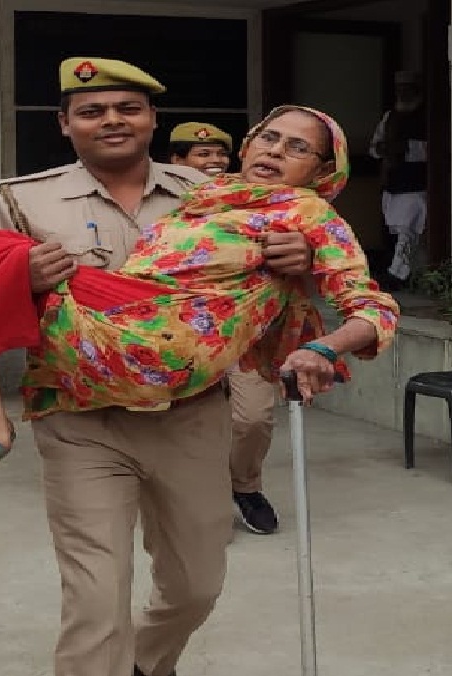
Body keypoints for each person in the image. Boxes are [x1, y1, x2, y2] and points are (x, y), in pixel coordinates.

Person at [0, 58, 385, 676]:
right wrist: (23, 281)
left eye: (129, 109)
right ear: (65, 124)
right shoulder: (21, 198)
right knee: (95, 600)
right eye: (91, 111)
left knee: (196, 586)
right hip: (79, 417)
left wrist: (300, 256)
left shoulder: (211, 193)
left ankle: (149, 664)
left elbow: (303, 259)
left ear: (152, 119)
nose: (112, 121)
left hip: (191, 417)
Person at [167, 120, 281, 534]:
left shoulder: (253, 196)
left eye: (219, 153)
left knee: (254, 417)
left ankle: (245, 485)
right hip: (184, 333)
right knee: (189, 424)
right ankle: (204, 502)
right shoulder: (164, 204)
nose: (214, 161)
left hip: (247, 329)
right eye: (202, 154)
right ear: (176, 161)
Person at [369, 70, 428, 292]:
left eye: (407, 88)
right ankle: (409, 272)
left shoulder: (426, 116)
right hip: (393, 182)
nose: (402, 93)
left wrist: (405, 148)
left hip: (416, 184)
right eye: (399, 89)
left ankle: (397, 274)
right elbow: (375, 146)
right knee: (400, 232)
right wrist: (384, 150)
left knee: (408, 230)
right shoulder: (390, 116)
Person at [167, 121, 232, 177]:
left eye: (223, 154)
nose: (217, 160)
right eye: (204, 154)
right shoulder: (163, 189)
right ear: (178, 160)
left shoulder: (235, 188)